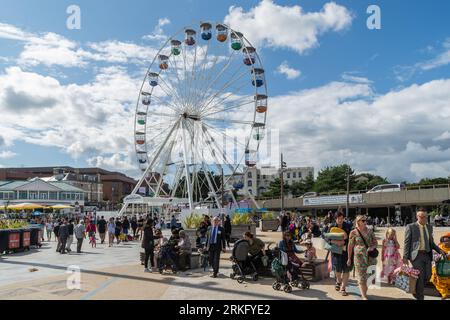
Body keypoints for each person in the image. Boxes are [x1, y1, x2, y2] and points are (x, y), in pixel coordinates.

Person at [403, 208, 446, 300]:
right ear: (417, 217)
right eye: (421, 217)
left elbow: (431, 243)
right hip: (416, 256)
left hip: (427, 255)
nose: (423, 219)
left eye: (425, 217)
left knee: (428, 276)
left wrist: (440, 251)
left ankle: (417, 291)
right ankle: (420, 296)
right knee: (421, 277)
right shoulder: (411, 227)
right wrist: (405, 257)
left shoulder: (429, 227)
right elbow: (407, 242)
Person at [347, 215, 378, 300]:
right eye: (363, 220)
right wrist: (349, 258)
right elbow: (350, 246)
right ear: (358, 222)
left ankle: (364, 292)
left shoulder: (370, 231)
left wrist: (372, 247)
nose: (365, 222)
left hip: (370, 258)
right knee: (361, 277)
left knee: (369, 277)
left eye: (365, 220)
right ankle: (364, 296)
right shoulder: (353, 232)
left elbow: (375, 243)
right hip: (359, 257)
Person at [324, 211, 352, 296]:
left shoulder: (348, 226)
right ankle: (338, 281)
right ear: (335, 219)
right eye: (338, 218)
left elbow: (351, 238)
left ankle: (343, 288)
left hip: (346, 251)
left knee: (346, 269)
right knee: (338, 270)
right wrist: (333, 241)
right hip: (336, 252)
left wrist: (344, 242)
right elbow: (325, 236)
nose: (340, 220)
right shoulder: (331, 226)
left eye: (342, 218)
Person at [431, 232, 450, 299]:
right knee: (436, 276)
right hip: (440, 266)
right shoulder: (439, 247)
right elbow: (435, 257)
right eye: (444, 241)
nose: (446, 242)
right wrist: (444, 256)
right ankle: (445, 293)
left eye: (448, 241)